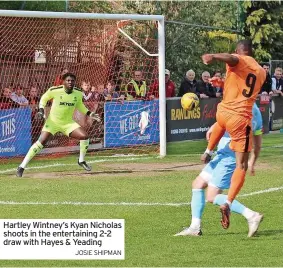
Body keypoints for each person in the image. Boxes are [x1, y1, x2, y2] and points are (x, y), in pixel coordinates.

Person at [200, 40, 266, 229]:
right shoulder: (261, 72)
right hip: (240, 118)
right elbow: (244, 84)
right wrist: (214, 58)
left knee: (220, 124)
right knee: (242, 164)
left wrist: (213, 58)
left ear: (238, 51)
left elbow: (232, 60)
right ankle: (228, 202)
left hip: (223, 113)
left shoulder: (237, 60)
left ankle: (208, 150)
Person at [175, 103, 263, 237]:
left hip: (230, 157)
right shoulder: (256, 111)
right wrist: (252, 161)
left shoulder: (237, 104)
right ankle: (194, 227)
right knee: (198, 184)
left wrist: (209, 148)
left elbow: (226, 121)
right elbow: (257, 143)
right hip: (224, 154)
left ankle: (251, 215)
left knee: (212, 196)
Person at [16, 73, 101, 177]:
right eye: (68, 80)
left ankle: (81, 160)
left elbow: (80, 105)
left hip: (68, 123)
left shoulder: (78, 93)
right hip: (53, 123)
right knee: (41, 142)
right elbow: (43, 98)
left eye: (72, 81)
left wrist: (90, 113)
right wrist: (41, 111)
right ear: (63, 82)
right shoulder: (55, 90)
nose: (70, 82)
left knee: (85, 136)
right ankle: (21, 167)